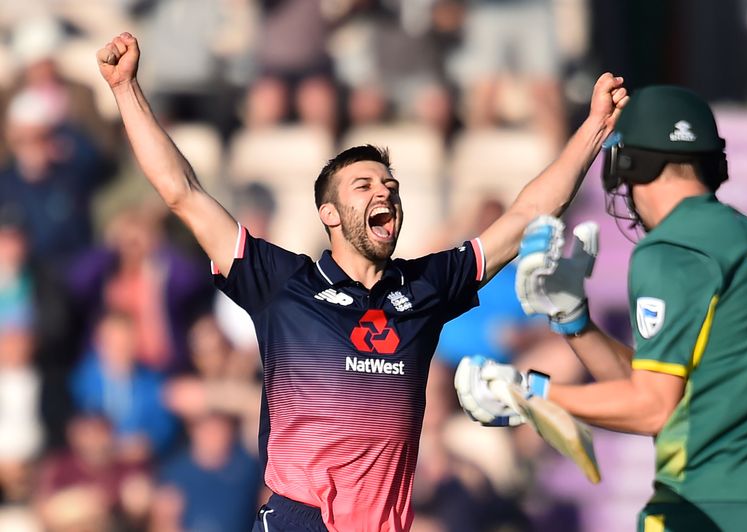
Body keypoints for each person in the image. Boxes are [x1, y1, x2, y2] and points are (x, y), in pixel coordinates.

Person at [95, 32, 627, 532]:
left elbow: (529, 213)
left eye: (391, 185)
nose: (385, 192)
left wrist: (596, 127)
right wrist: (125, 89)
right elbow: (183, 192)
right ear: (328, 213)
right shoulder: (282, 282)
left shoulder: (426, 286)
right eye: (364, 184)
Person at [456, 85, 747, 531]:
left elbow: (653, 409)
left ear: (633, 161)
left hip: (724, 504)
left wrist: (529, 393)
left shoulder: (671, 249)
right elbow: (671, 390)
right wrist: (574, 323)